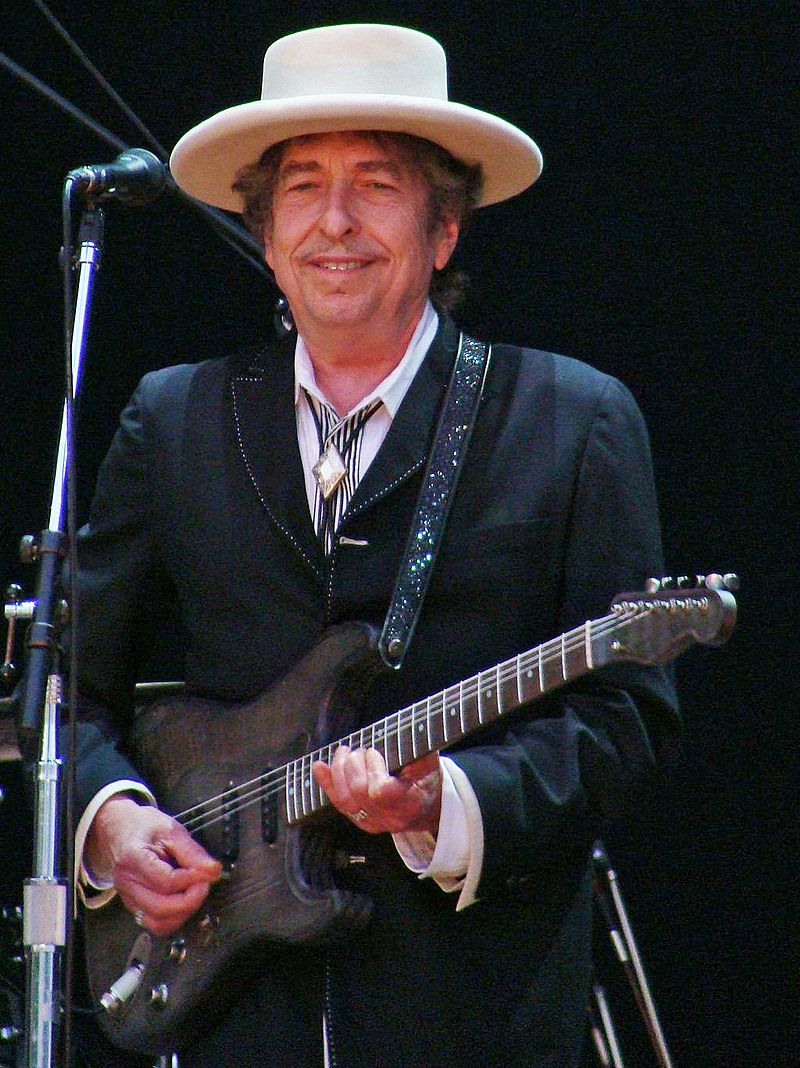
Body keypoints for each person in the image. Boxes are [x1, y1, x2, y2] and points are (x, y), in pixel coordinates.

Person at [70, 23, 679, 1068]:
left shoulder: (571, 419)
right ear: (266, 236)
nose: (336, 221)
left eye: (377, 185)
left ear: (444, 230)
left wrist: (451, 801)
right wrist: (112, 823)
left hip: (471, 1022)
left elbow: (627, 720)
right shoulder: (170, 420)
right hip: (232, 1025)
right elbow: (67, 686)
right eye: (303, 187)